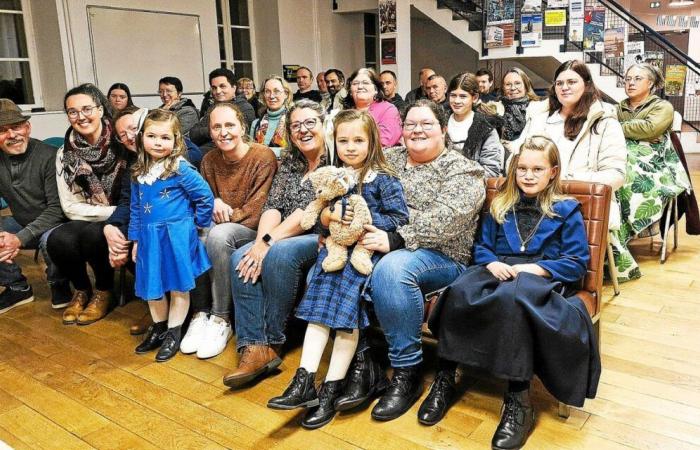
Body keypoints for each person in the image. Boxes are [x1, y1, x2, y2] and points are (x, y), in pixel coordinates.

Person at [425, 136, 599, 450]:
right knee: (460, 290)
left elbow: (575, 263)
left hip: (541, 277)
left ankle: (518, 399)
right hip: (498, 269)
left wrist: (537, 269)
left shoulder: (566, 209)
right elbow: (482, 248)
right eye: (522, 169)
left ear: (552, 172)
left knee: (514, 299)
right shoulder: (500, 205)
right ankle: (445, 377)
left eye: (537, 169)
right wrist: (490, 263)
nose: (529, 175)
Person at [343, 100, 485, 421]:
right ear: (401, 130)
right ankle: (364, 363)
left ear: (444, 131)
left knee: (392, 269)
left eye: (427, 124)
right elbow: (354, 191)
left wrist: (393, 236)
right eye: (410, 124)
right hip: (381, 243)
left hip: (443, 257)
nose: (417, 130)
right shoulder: (388, 159)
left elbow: (445, 221)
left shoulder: (462, 169)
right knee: (341, 263)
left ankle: (407, 373)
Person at [267, 109, 409, 429]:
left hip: (364, 256)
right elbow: (320, 216)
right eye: (343, 141)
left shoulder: (382, 179)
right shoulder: (334, 176)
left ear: (372, 141)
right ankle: (304, 382)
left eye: (358, 140)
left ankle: (330, 390)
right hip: (333, 255)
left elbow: (399, 220)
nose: (350, 147)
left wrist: (366, 223)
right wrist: (328, 220)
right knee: (318, 312)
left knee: (345, 320)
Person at [222, 99, 328, 388]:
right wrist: (258, 244)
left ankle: (273, 341)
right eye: (295, 125)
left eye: (310, 123)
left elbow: (309, 213)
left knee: (279, 253)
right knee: (240, 256)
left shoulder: (334, 161)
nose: (303, 130)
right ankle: (253, 346)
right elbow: (273, 206)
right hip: (281, 231)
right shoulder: (292, 162)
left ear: (324, 124)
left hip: (316, 234)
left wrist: (268, 242)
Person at [181, 102, 277, 359]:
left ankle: (222, 318)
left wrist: (225, 214)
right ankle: (201, 313)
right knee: (193, 233)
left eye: (229, 125)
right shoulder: (209, 160)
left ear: (242, 127)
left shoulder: (262, 156)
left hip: (253, 229)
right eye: (217, 127)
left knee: (218, 235)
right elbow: (203, 203)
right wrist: (212, 202)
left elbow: (258, 210)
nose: (223, 132)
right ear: (210, 132)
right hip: (219, 225)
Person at [129, 109, 214, 362]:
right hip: (148, 238)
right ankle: (159, 326)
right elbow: (135, 208)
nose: (158, 142)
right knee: (152, 285)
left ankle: (174, 332)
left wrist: (196, 226)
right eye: (152, 136)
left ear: (176, 140)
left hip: (176, 236)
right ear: (142, 137)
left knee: (178, 285)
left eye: (165, 138)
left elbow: (205, 197)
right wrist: (135, 240)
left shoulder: (181, 169)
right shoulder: (138, 172)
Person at [514, 60, 626, 237]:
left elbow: (615, 175)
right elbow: (514, 160)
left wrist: (564, 181)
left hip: (582, 206)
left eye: (572, 82)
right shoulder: (539, 119)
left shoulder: (604, 122)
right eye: (559, 83)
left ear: (587, 85)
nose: (564, 87)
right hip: (533, 204)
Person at [47, 83, 129, 325]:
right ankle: (82, 289)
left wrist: (118, 214)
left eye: (87, 109)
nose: (81, 116)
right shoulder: (65, 152)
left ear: (101, 109)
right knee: (57, 239)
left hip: (125, 213)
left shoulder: (122, 141)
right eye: (72, 111)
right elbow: (70, 206)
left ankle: (104, 291)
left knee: (95, 235)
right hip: (89, 213)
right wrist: (110, 212)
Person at [612, 63, 692, 282]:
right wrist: (639, 130)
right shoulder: (620, 106)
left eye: (637, 78)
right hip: (626, 156)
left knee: (629, 180)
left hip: (656, 162)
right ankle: (613, 238)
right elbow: (642, 130)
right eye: (628, 78)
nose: (630, 82)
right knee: (613, 176)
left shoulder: (662, 106)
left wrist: (621, 127)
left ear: (651, 84)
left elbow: (651, 129)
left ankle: (627, 234)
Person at [0, 99, 69, 313]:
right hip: (21, 221)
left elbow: (56, 210)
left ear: (28, 127)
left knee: (52, 238)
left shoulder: (49, 156)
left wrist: (18, 238)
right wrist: (4, 237)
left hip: (57, 225)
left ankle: (60, 283)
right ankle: (17, 287)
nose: (12, 135)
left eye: (16, 127)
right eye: (2, 130)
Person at [446, 72, 504, 177]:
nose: (456, 101)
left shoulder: (486, 128)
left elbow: (491, 170)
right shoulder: (439, 123)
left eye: (463, 96)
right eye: (453, 95)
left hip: (472, 187)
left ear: (475, 98)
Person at [190, 68, 256, 147]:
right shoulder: (213, 108)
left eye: (222, 86)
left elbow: (236, 137)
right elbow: (193, 134)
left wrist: (209, 130)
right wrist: (213, 130)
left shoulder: (245, 108)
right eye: (214, 88)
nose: (217, 91)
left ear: (234, 88)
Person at [344, 68, 402, 147]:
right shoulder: (345, 112)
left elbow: (385, 141)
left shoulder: (388, 110)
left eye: (366, 83)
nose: (360, 86)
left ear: (376, 90)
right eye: (355, 83)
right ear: (350, 91)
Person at [250, 76, 293, 157]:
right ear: (263, 95)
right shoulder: (255, 124)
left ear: (286, 94)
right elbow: (251, 153)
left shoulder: (293, 122)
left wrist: (265, 152)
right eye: (267, 91)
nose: (271, 96)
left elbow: (295, 152)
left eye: (276, 91)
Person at [494, 68, 540, 144]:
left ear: (526, 86)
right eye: (508, 84)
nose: (513, 88)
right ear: (503, 88)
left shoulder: (537, 108)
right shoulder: (495, 109)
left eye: (517, 83)